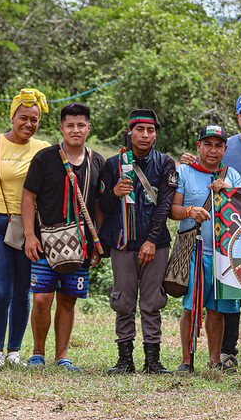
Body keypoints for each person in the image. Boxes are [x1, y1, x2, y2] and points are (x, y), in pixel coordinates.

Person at [181, 92, 241, 364]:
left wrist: (235, 191)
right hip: (208, 243)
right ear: (238, 118)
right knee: (205, 303)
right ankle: (209, 356)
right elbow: (176, 203)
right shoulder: (199, 163)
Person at [22, 102, 105, 371]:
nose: (76, 130)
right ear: (61, 128)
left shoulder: (97, 161)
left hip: (81, 246)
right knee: (42, 298)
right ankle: (37, 353)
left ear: (88, 128)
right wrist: (29, 236)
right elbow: (28, 197)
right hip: (45, 242)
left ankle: (63, 356)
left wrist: (96, 241)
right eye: (70, 125)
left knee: (68, 300)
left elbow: (100, 206)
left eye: (81, 125)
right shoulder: (45, 158)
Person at [99, 109, 177, 374]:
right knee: (123, 301)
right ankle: (125, 360)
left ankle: (153, 360)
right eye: (140, 130)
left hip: (156, 244)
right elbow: (104, 206)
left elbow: (165, 205)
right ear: (130, 132)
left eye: (151, 131)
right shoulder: (112, 164)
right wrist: (114, 192)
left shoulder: (166, 163)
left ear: (156, 134)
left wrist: (152, 241)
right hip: (122, 242)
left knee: (153, 301)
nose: (145, 136)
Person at [0, 88, 51, 368]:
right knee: (0, 291)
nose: (28, 124)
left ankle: (14, 351)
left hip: (29, 230)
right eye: (23, 118)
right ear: (12, 117)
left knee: (22, 291)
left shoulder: (44, 148)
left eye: (34, 119)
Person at [172, 125, 241, 372]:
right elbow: (173, 210)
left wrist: (228, 193)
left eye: (218, 145)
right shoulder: (183, 171)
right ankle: (186, 361)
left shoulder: (231, 175)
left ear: (225, 148)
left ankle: (215, 361)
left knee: (217, 309)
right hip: (194, 250)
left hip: (224, 254)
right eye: (207, 144)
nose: (212, 150)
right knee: (191, 306)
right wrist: (191, 211)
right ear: (199, 146)